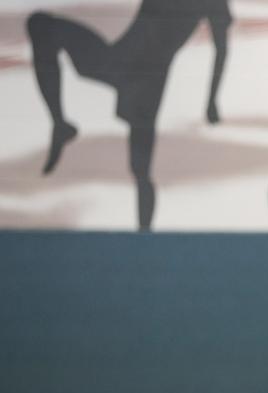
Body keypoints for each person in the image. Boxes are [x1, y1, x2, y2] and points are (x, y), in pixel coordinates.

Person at [27, 0, 231, 231]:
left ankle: (144, 236)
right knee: (39, 24)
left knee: (141, 171)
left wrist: (212, 101)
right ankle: (60, 124)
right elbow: (221, 48)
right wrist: (211, 101)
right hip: (120, 62)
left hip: (147, 81)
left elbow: (221, 48)